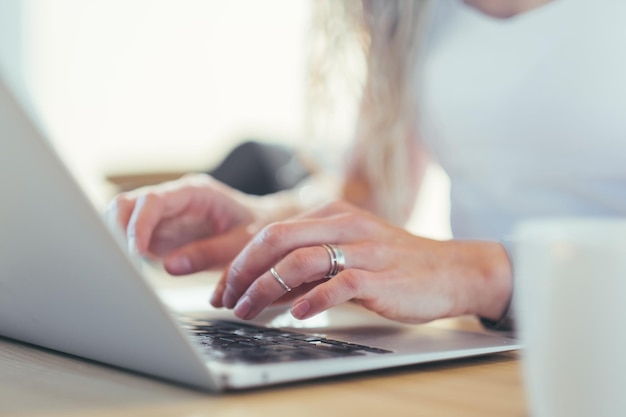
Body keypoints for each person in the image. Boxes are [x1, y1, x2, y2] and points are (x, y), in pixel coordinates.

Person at [109, 0, 626, 330]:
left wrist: (480, 274)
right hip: (490, 347)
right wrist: (264, 223)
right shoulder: (407, 9)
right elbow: (370, 191)